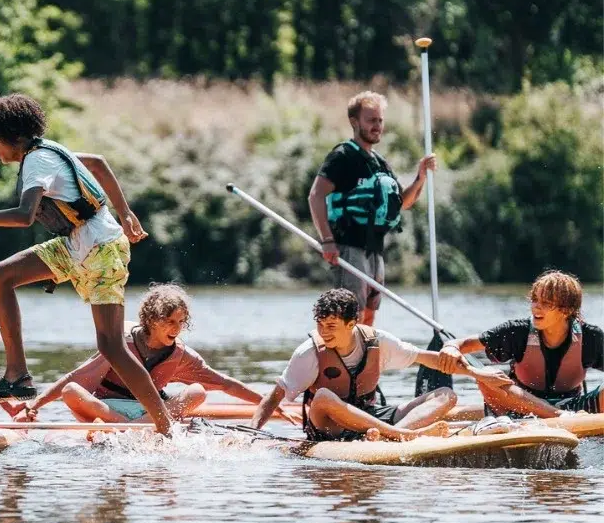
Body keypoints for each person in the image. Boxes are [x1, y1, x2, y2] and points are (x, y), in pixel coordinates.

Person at [0, 93, 173, 435]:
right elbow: (97, 163)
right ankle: (18, 375)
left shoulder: (37, 162)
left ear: (12, 136)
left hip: (101, 250)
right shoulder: (49, 151)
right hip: (78, 244)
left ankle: (166, 427)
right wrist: (124, 212)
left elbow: (24, 216)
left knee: (111, 346)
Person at [251, 289, 511, 441]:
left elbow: (428, 358)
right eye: (320, 325)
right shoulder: (309, 352)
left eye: (331, 325)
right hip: (330, 426)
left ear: (352, 323)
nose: (323, 332)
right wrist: (252, 433)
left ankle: (390, 435)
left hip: (372, 419)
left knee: (446, 395)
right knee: (323, 396)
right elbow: (275, 395)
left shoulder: (377, 342)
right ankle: (401, 435)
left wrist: (478, 374)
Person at [17, 284, 293, 424]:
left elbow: (226, 384)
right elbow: (74, 377)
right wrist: (34, 406)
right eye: (169, 321)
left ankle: (135, 426)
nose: (176, 328)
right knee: (71, 391)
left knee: (198, 391)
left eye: (180, 322)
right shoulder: (119, 343)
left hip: (153, 413)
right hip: (108, 408)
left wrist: (269, 404)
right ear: (150, 319)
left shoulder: (181, 354)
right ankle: (135, 426)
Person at [308, 91, 436, 325]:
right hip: (349, 247)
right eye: (371, 120)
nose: (377, 126)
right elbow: (315, 196)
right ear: (354, 122)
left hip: (375, 249)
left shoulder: (379, 162)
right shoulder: (342, 156)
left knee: (369, 317)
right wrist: (327, 240)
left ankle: (366, 351)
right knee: (350, 317)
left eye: (380, 120)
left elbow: (403, 203)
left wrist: (420, 177)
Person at [437, 270, 603, 417]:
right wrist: (451, 347)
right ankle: (554, 415)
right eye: (534, 300)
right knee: (486, 376)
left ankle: (561, 415)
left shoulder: (591, 337)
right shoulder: (517, 331)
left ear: (566, 310)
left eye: (546, 303)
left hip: (574, 408)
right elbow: (462, 344)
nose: (536, 307)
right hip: (520, 407)